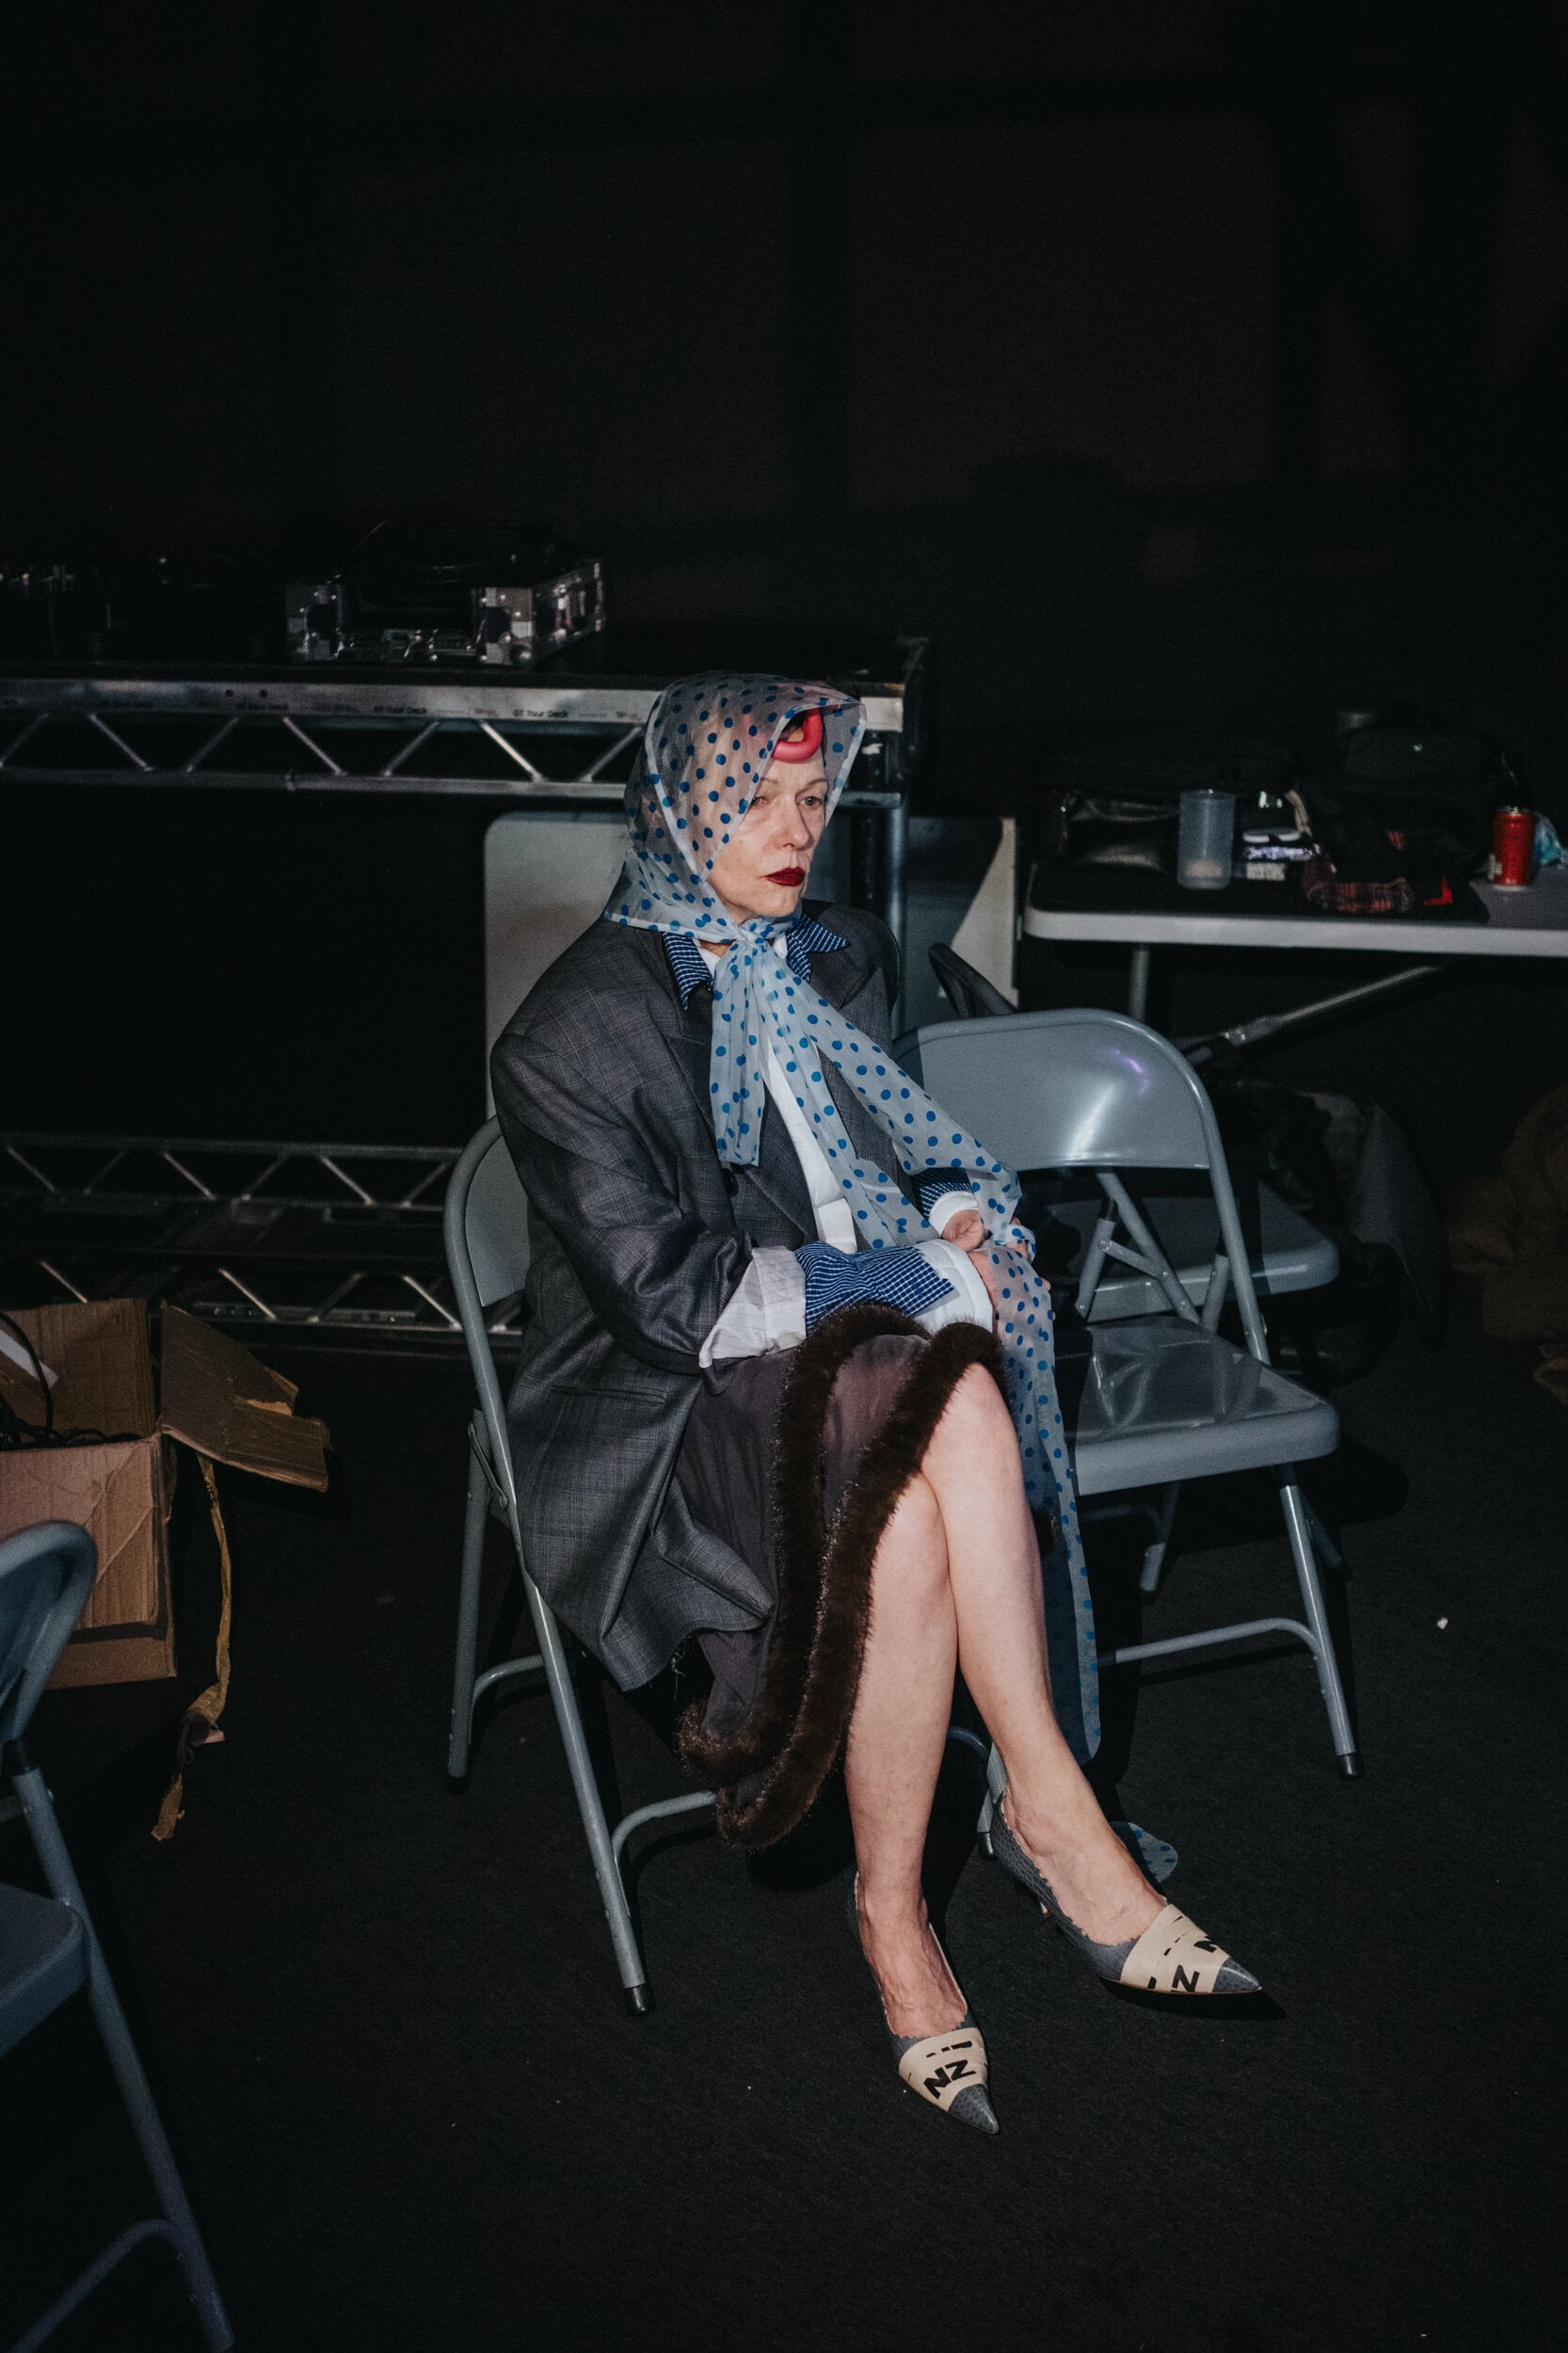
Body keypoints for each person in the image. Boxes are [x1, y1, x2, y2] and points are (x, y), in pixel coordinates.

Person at [491, 674, 1258, 2134]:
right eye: (755, 802)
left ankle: (894, 1912)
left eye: (811, 799)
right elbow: (682, 1309)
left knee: (910, 1487)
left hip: (858, 1362)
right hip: (664, 1402)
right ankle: (1049, 1809)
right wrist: (920, 1274)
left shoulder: (832, 951)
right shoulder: (569, 1035)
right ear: (673, 809)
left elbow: (896, 1152)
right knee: (942, 1400)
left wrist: (956, 1209)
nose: (796, 832)